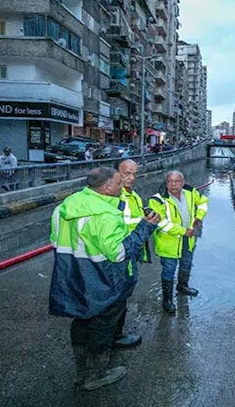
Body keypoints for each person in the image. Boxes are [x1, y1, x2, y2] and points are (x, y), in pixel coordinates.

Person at [49, 167, 159, 391]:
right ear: (107, 187)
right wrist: (145, 228)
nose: (123, 186)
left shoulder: (64, 207)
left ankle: (81, 372)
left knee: (81, 322)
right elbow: (118, 253)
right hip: (103, 281)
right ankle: (96, 375)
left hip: (73, 277)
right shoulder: (106, 215)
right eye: (119, 183)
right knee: (103, 327)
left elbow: (55, 241)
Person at [147, 171, 209, 314]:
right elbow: (160, 222)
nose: (173, 184)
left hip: (188, 239)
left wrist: (198, 218)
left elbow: (203, 203)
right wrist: (182, 231)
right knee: (169, 269)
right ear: (166, 182)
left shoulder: (190, 192)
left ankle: (182, 286)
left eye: (177, 181)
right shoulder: (157, 200)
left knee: (186, 264)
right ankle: (167, 300)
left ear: (183, 182)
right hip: (169, 242)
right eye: (170, 181)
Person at [108, 158, 149, 349]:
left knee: (122, 296)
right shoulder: (115, 196)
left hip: (129, 253)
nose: (131, 178)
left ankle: (116, 332)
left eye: (134, 173)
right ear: (116, 173)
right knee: (116, 298)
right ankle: (113, 337)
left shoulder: (134, 196)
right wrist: (146, 224)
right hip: (118, 255)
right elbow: (119, 226)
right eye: (126, 173)